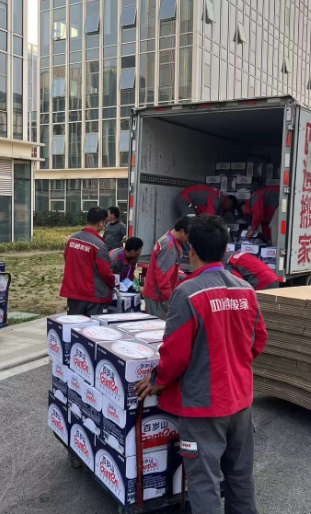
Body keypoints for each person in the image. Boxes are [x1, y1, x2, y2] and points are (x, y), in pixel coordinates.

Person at [135, 215, 267, 514]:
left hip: (203, 406)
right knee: (240, 476)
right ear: (224, 250)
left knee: (204, 482)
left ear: (191, 250)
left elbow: (175, 355)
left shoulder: (188, 292)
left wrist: (157, 380)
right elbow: (258, 341)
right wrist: (233, 363)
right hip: (240, 401)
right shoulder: (245, 289)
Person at [60, 207, 116, 316]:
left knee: (74, 324)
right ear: (101, 223)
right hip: (92, 295)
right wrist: (113, 283)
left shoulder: (73, 239)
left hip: (74, 292)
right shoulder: (99, 245)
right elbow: (106, 272)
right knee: (91, 325)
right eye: (104, 223)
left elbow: (66, 257)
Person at [142, 217, 192, 319]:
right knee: (160, 327)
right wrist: (167, 300)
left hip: (158, 294)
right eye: (189, 237)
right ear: (182, 232)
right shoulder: (168, 245)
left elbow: (171, 270)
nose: (188, 240)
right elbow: (163, 276)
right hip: (158, 297)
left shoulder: (169, 241)